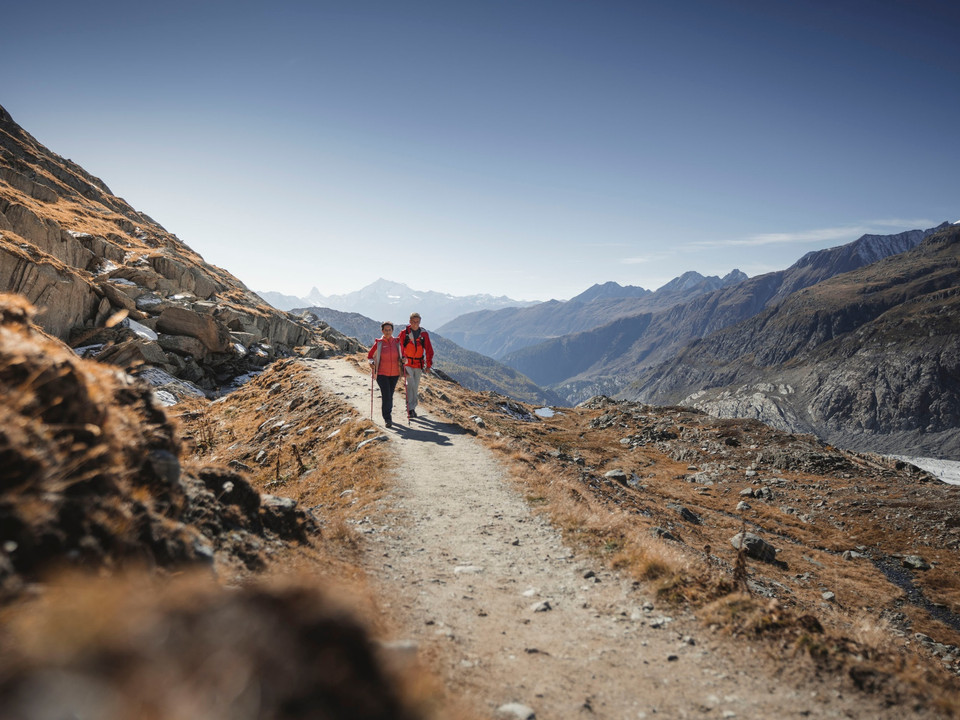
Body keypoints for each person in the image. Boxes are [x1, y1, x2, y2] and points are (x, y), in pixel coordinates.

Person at [367, 321, 403, 428]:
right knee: (386, 395)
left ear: (392, 331)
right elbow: (369, 356)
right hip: (382, 373)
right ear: (382, 331)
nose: (388, 332)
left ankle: (388, 414)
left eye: (390, 330)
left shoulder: (397, 342)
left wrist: (404, 360)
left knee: (390, 395)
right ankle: (387, 418)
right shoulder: (379, 343)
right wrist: (371, 363)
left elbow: (403, 355)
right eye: (386, 330)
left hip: (395, 373)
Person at [398, 312, 434, 418]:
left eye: (417, 322)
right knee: (411, 385)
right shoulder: (404, 333)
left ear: (420, 322)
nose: (415, 324)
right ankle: (411, 409)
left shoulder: (424, 334)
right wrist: (401, 360)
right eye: (413, 322)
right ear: (410, 321)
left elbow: (429, 350)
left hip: (418, 364)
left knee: (415, 386)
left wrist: (428, 365)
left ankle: (412, 407)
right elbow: (399, 347)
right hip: (407, 363)